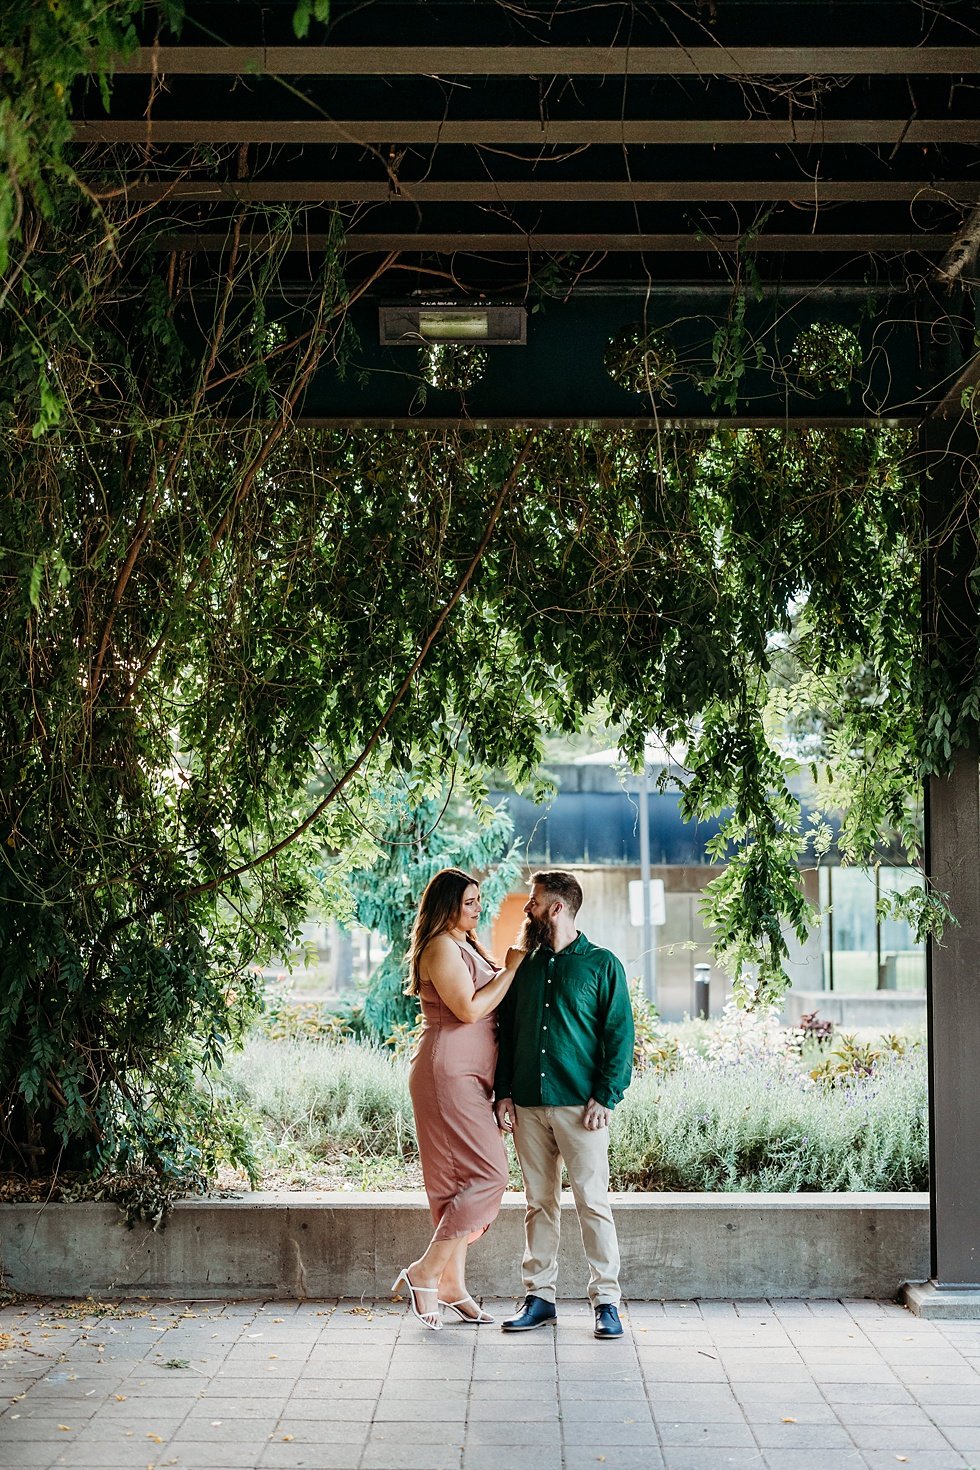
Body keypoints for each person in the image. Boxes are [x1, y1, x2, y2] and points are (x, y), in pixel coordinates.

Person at [494, 869, 634, 1340]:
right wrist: (504, 1092)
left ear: (556, 908)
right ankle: (539, 1298)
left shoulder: (602, 964)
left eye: (533, 902)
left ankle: (607, 1303)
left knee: (593, 1203)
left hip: (581, 1108)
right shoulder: (524, 967)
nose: (527, 909)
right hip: (529, 1107)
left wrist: (606, 1095)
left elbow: (619, 1036)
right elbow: (506, 1034)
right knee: (539, 1204)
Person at [393, 867, 524, 1330]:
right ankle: (426, 1272)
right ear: (446, 903)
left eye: (478, 901)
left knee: (456, 1182)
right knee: (490, 1174)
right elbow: (468, 1008)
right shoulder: (440, 947)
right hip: (447, 1073)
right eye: (469, 901)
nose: (478, 908)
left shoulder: (464, 943)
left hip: (471, 1075)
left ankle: (452, 1286)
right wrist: (509, 969)